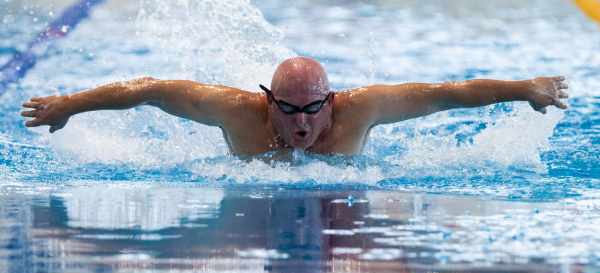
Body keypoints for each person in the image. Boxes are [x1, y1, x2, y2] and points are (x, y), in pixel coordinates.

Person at [21, 56, 568, 156]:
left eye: (313, 109)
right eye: (288, 109)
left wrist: (526, 87)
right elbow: (149, 88)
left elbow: (449, 93)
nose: (301, 122)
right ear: (267, 101)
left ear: (331, 101)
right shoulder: (235, 111)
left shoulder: (362, 109)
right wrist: (68, 105)